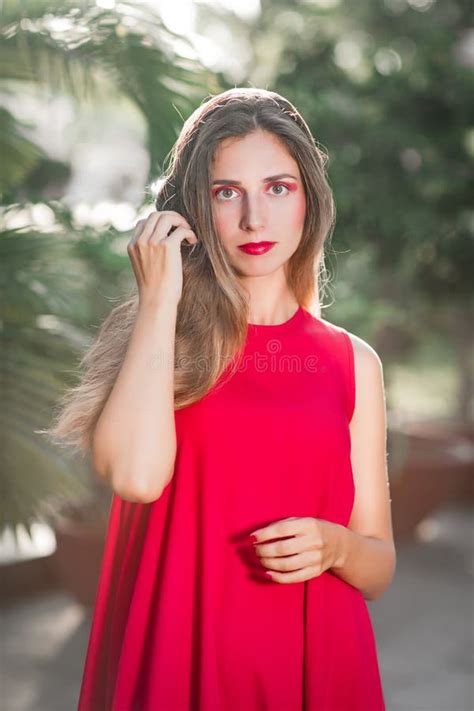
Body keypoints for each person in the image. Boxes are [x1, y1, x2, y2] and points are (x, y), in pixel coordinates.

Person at [48, 87, 396, 710]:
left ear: (309, 200)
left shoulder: (353, 363)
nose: (254, 220)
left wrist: (335, 545)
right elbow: (133, 477)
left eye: (278, 188)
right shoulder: (162, 344)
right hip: (182, 661)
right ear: (194, 211)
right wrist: (160, 300)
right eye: (226, 192)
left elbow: (377, 565)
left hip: (316, 663)